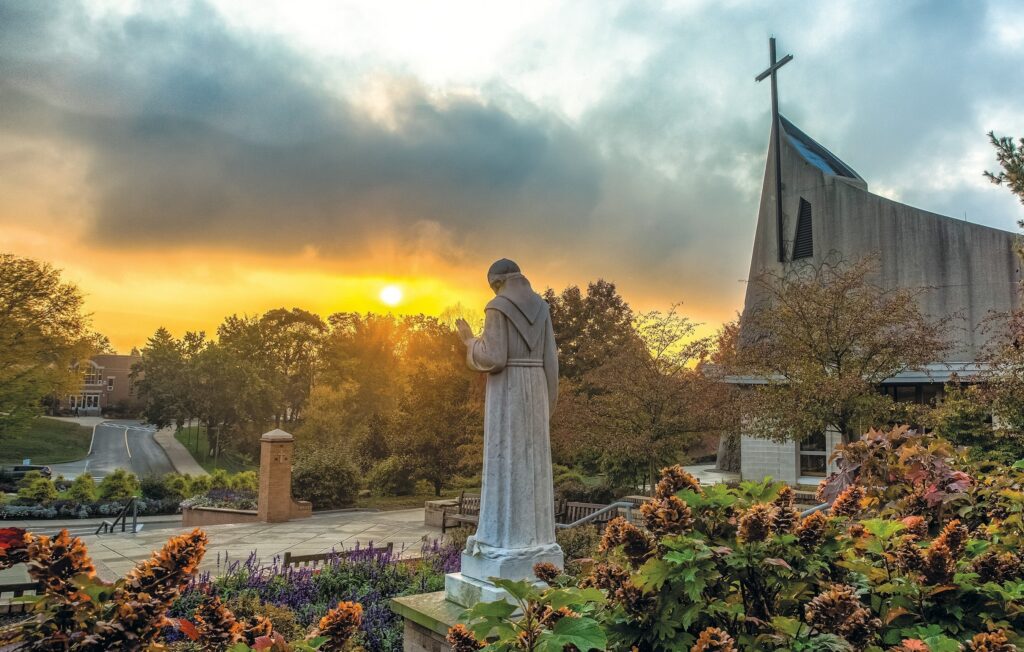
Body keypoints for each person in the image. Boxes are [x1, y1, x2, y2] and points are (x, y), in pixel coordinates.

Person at [454, 258, 563, 583]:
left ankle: (500, 541)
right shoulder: (541, 308)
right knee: (531, 464)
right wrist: (547, 404)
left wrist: (468, 341)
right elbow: (551, 360)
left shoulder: (497, 307)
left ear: (497, 282)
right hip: (537, 389)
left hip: (509, 394)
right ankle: (535, 543)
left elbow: (493, 357)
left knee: (505, 461)